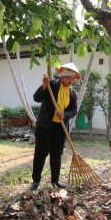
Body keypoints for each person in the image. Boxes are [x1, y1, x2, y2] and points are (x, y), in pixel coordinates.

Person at [30, 63, 81, 191]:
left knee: (56, 155)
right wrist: (43, 86)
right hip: (45, 127)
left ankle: (55, 180)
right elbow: (36, 98)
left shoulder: (73, 93)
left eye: (73, 78)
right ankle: (35, 181)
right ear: (62, 76)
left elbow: (74, 111)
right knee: (40, 154)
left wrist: (65, 115)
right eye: (68, 77)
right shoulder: (51, 84)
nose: (70, 81)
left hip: (60, 128)